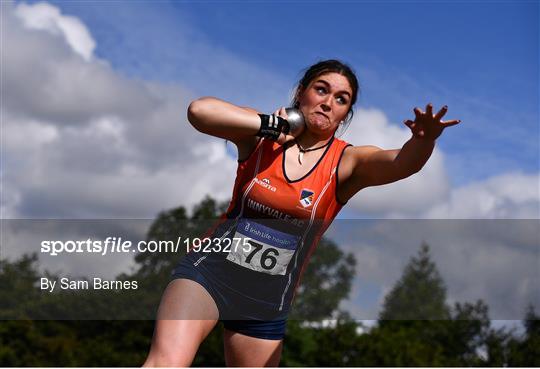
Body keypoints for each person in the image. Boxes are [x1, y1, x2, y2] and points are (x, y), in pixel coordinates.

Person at [142, 59, 460, 367]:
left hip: (266, 301)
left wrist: (424, 140)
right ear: (301, 93)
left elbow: (403, 163)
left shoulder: (347, 163)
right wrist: (274, 125)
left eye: (341, 99)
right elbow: (199, 111)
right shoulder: (262, 136)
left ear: (346, 113)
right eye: (321, 90)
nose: (328, 102)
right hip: (209, 274)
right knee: (167, 363)